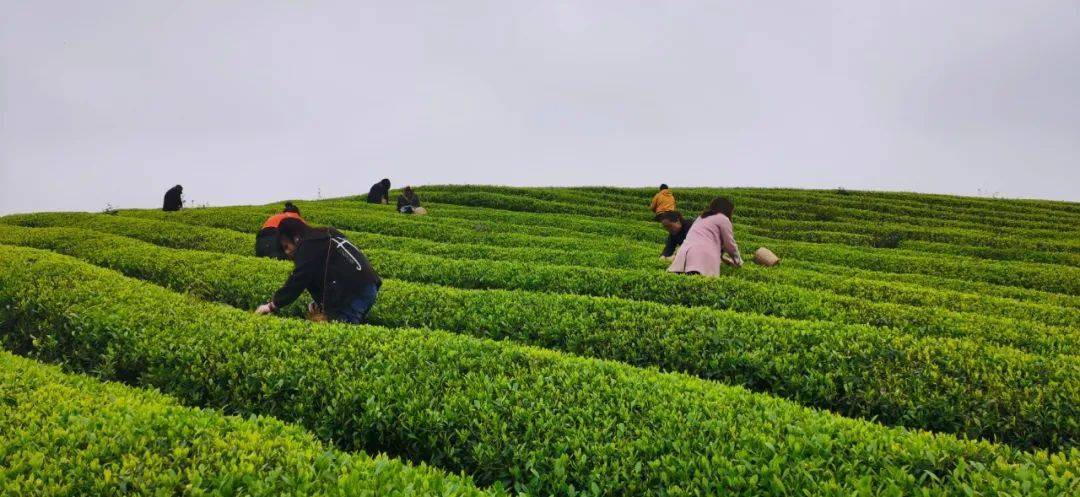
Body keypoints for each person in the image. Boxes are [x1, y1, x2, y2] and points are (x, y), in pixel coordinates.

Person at [256, 218, 382, 323]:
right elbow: (330, 270)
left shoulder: (307, 245)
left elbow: (298, 279)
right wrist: (321, 302)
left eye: (286, 247)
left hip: (354, 291)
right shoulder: (326, 233)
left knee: (339, 336)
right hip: (369, 284)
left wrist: (272, 305)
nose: (287, 252)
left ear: (295, 238)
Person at [667, 197, 742, 276]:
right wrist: (738, 261)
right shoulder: (723, 219)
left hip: (683, 255)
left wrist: (722, 258)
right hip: (701, 257)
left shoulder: (701, 217)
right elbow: (729, 244)